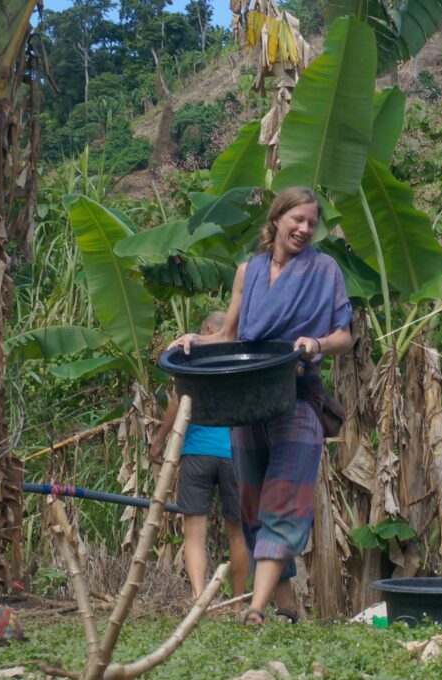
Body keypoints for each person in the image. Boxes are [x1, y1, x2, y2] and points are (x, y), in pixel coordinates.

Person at [168, 186, 353, 625]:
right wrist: (195, 340)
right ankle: (287, 610)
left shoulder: (325, 271)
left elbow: (344, 336)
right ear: (277, 219)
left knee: (283, 502)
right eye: (298, 219)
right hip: (246, 404)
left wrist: (317, 343)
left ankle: (255, 609)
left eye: (312, 222)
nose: (305, 229)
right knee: (252, 509)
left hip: (296, 398)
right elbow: (230, 336)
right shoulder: (247, 270)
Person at [149, 311, 249, 601]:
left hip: (197, 453)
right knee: (238, 533)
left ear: (207, 328)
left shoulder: (194, 359)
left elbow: (178, 402)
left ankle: (197, 598)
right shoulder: (239, 359)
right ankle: (237, 602)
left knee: (194, 533)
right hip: (234, 452)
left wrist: (159, 442)